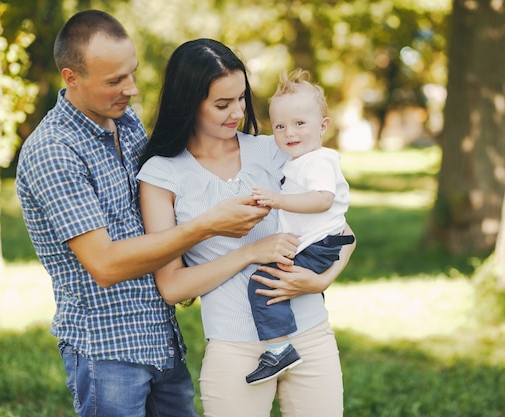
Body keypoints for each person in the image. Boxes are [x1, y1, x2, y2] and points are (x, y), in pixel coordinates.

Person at [15, 11, 275, 417]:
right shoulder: (54, 151)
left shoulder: (126, 122)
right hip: (108, 350)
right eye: (115, 81)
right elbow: (104, 264)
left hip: (160, 338)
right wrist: (208, 225)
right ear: (71, 78)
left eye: (131, 74)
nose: (132, 90)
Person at [137, 38, 355, 417]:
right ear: (189, 103)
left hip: (312, 335)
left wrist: (321, 281)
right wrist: (250, 252)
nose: (236, 111)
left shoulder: (275, 150)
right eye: (222, 104)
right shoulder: (162, 174)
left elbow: (342, 231)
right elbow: (172, 287)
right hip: (235, 349)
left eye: (241, 98)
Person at [246, 69, 355, 385]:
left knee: (263, 283)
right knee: (274, 278)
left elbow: (322, 200)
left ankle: (280, 349)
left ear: (323, 127)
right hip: (318, 241)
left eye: (299, 124)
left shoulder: (317, 161)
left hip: (320, 243)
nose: (289, 133)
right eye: (280, 126)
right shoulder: (300, 161)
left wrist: (277, 201)